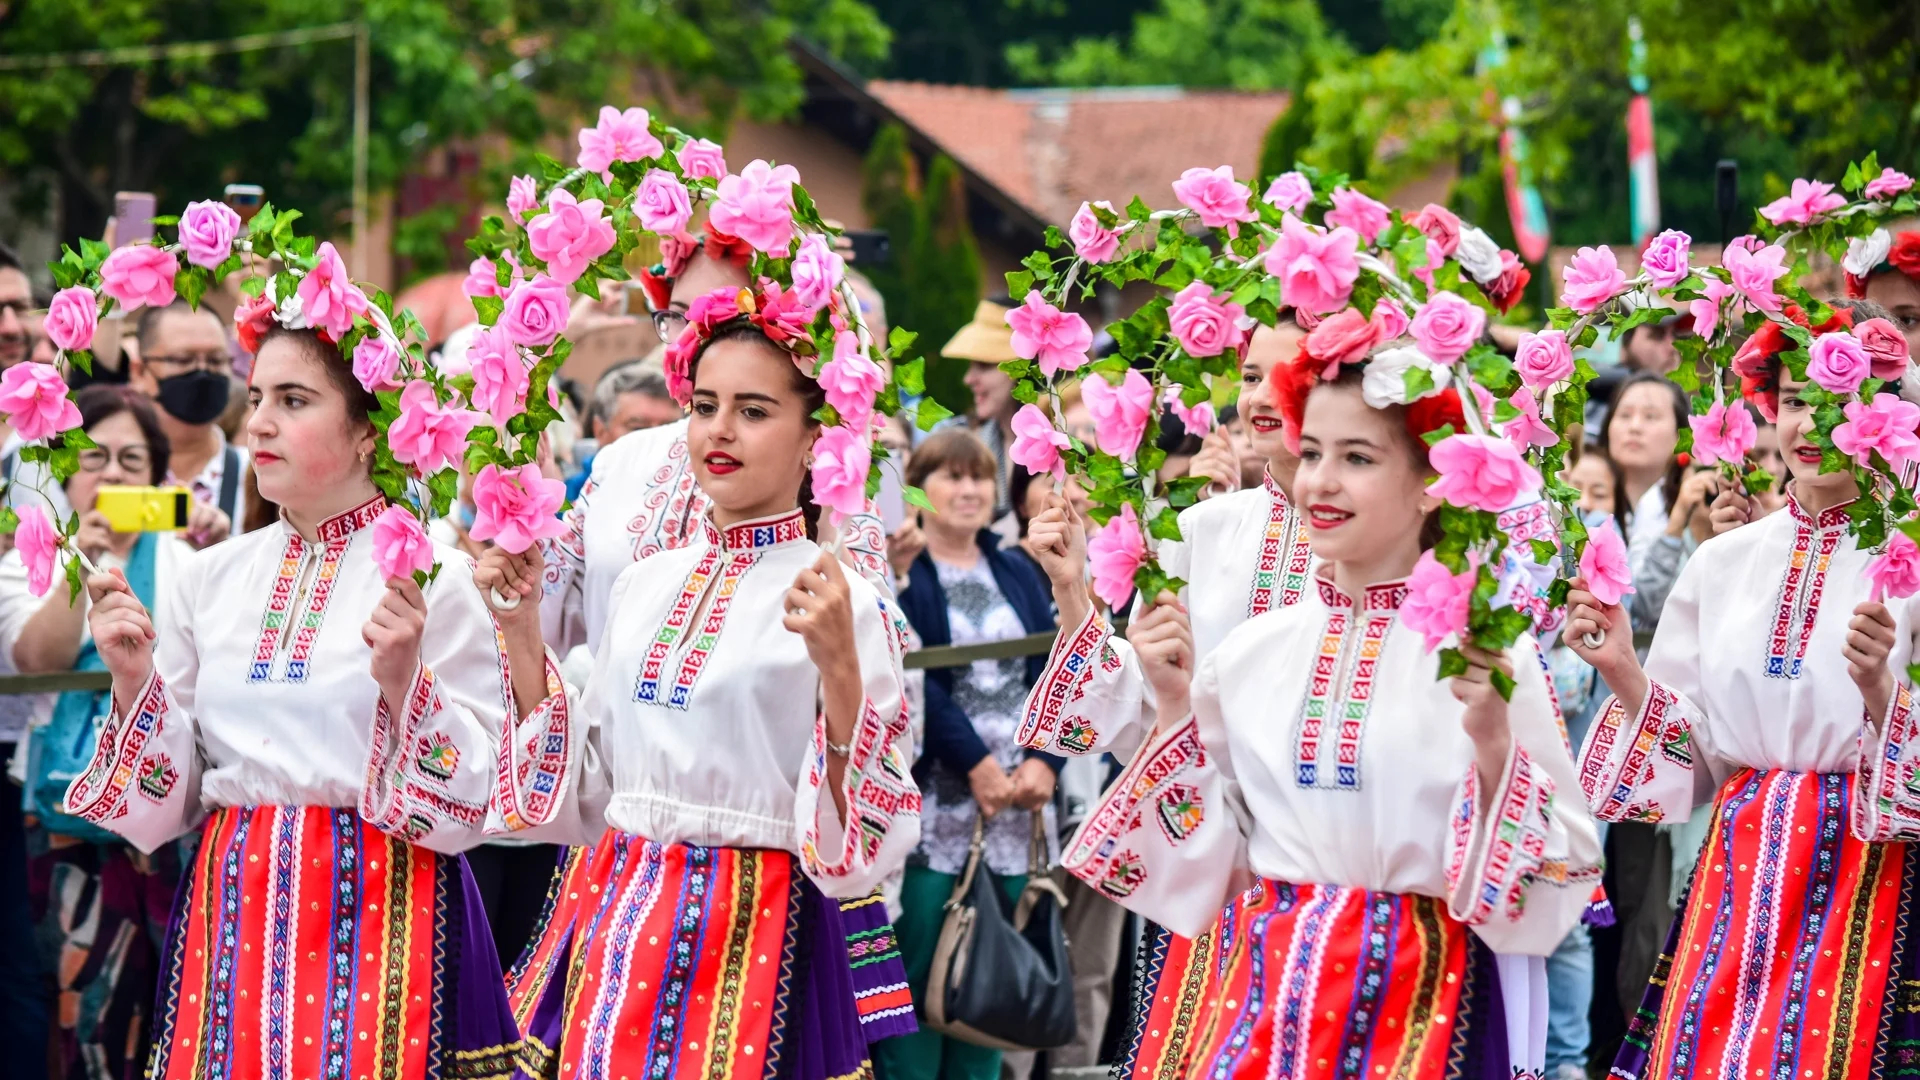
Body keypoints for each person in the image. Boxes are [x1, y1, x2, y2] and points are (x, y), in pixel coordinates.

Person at [1056, 344, 1598, 1077]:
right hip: (1266, 1003)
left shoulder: (1486, 653)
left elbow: (1564, 871)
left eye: (1359, 458)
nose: (1321, 482)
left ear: (1431, 482)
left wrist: (1495, 744)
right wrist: (1175, 704)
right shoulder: (1251, 656)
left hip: (1429, 1007)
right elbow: (1212, 864)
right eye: (1311, 452)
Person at [475, 290, 922, 1080]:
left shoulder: (840, 598)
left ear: (816, 435)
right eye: (705, 405)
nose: (719, 430)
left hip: (761, 934)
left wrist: (843, 674)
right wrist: (519, 633)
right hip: (619, 922)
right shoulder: (646, 583)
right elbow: (586, 790)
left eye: (754, 411)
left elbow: (863, 852)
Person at [62, 321, 524, 1078]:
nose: (260, 422)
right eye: (256, 398)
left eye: (294, 399)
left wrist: (408, 682)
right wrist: (133, 679)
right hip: (237, 902)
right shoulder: (211, 578)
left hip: (387, 903)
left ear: (369, 431)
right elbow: (167, 803)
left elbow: (476, 798)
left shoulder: (436, 578)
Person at [1563, 325, 1920, 1079]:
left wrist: (1882, 692)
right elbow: (1694, 762)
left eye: (1837, 401)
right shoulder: (1723, 562)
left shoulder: (1907, 557)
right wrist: (1625, 669)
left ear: (1881, 418)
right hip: (1745, 856)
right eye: (1794, 401)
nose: (1809, 424)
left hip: (1874, 867)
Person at [1021, 318, 1320, 1080]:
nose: (1257, 396)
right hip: (1209, 866)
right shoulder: (1201, 528)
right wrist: (1070, 592)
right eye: (1249, 375)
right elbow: (1143, 705)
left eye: (1282, 378)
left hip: (1330, 881)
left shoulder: (1388, 541)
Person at [0, 386, 195, 1079]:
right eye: (94, 457)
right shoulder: (30, 557)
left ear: (155, 476)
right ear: (66, 469)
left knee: (174, 998)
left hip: (166, 820)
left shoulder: (188, 562)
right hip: (65, 824)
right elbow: (35, 659)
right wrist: (77, 572)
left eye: (131, 459)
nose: (110, 473)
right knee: (80, 1009)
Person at [878, 429, 1061, 1080]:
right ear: (917, 490)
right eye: (951, 476)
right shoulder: (903, 574)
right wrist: (975, 763)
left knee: (988, 991)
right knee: (922, 991)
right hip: (935, 811)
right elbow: (913, 679)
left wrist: (1046, 759)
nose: (969, 490)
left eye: (979, 477)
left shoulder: (1015, 567)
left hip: (1016, 810)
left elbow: (1057, 672)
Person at [0, 237, 48, 1065]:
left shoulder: (45, 448)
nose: (11, 325)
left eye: (20, 307)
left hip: (15, 761)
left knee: (18, 987)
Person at [126, 300, 247, 539]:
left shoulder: (254, 477)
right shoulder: (115, 474)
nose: (202, 372)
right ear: (140, 372)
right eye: (183, 360)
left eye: (215, 360)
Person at [936, 299, 1022, 529]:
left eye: (983, 366)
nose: (968, 379)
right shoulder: (961, 438)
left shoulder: (1065, 444)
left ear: (1023, 368)